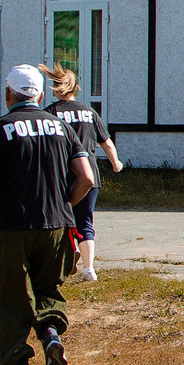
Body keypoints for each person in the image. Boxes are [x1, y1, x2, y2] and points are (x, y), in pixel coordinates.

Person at [0, 64, 91, 365]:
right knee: (48, 286)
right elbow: (87, 178)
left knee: (10, 295)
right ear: (38, 94)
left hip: (13, 224)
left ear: (9, 94)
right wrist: (66, 203)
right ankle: (51, 333)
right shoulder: (62, 127)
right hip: (57, 222)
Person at [42, 65, 122, 279]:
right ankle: (89, 269)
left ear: (56, 90)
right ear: (75, 87)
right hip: (89, 176)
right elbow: (106, 142)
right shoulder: (89, 112)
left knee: (59, 218)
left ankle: (69, 254)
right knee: (85, 221)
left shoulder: (50, 113)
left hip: (61, 176)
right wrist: (115, 163)